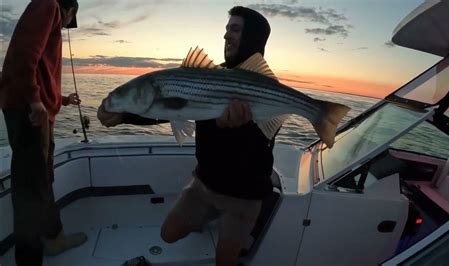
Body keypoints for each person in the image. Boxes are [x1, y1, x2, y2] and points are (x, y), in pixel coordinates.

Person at [97, 6, 273, 266]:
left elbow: (261, 146)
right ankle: (209, 216)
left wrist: (238, 127)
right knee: (167, 235)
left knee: (224, 262)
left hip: (244, 197)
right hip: (204, 185)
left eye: (235, 30)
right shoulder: (206, 77)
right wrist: (122, 114)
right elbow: (168, 108)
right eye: (226, 30)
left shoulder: (268, 91)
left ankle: (229, 224)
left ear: (253, 37)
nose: (226, 36)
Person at [0, 0, 87, 265]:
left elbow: (40, 71)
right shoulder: (48, 4)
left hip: (35, 110)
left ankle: (54, 238)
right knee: (30, 191)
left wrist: (59, 99)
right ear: (69, 10)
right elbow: (25, 55)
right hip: (29, 113)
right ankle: (29, 260)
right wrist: (36, 100)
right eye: (68, 20)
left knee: (42, 180)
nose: (64, 26)